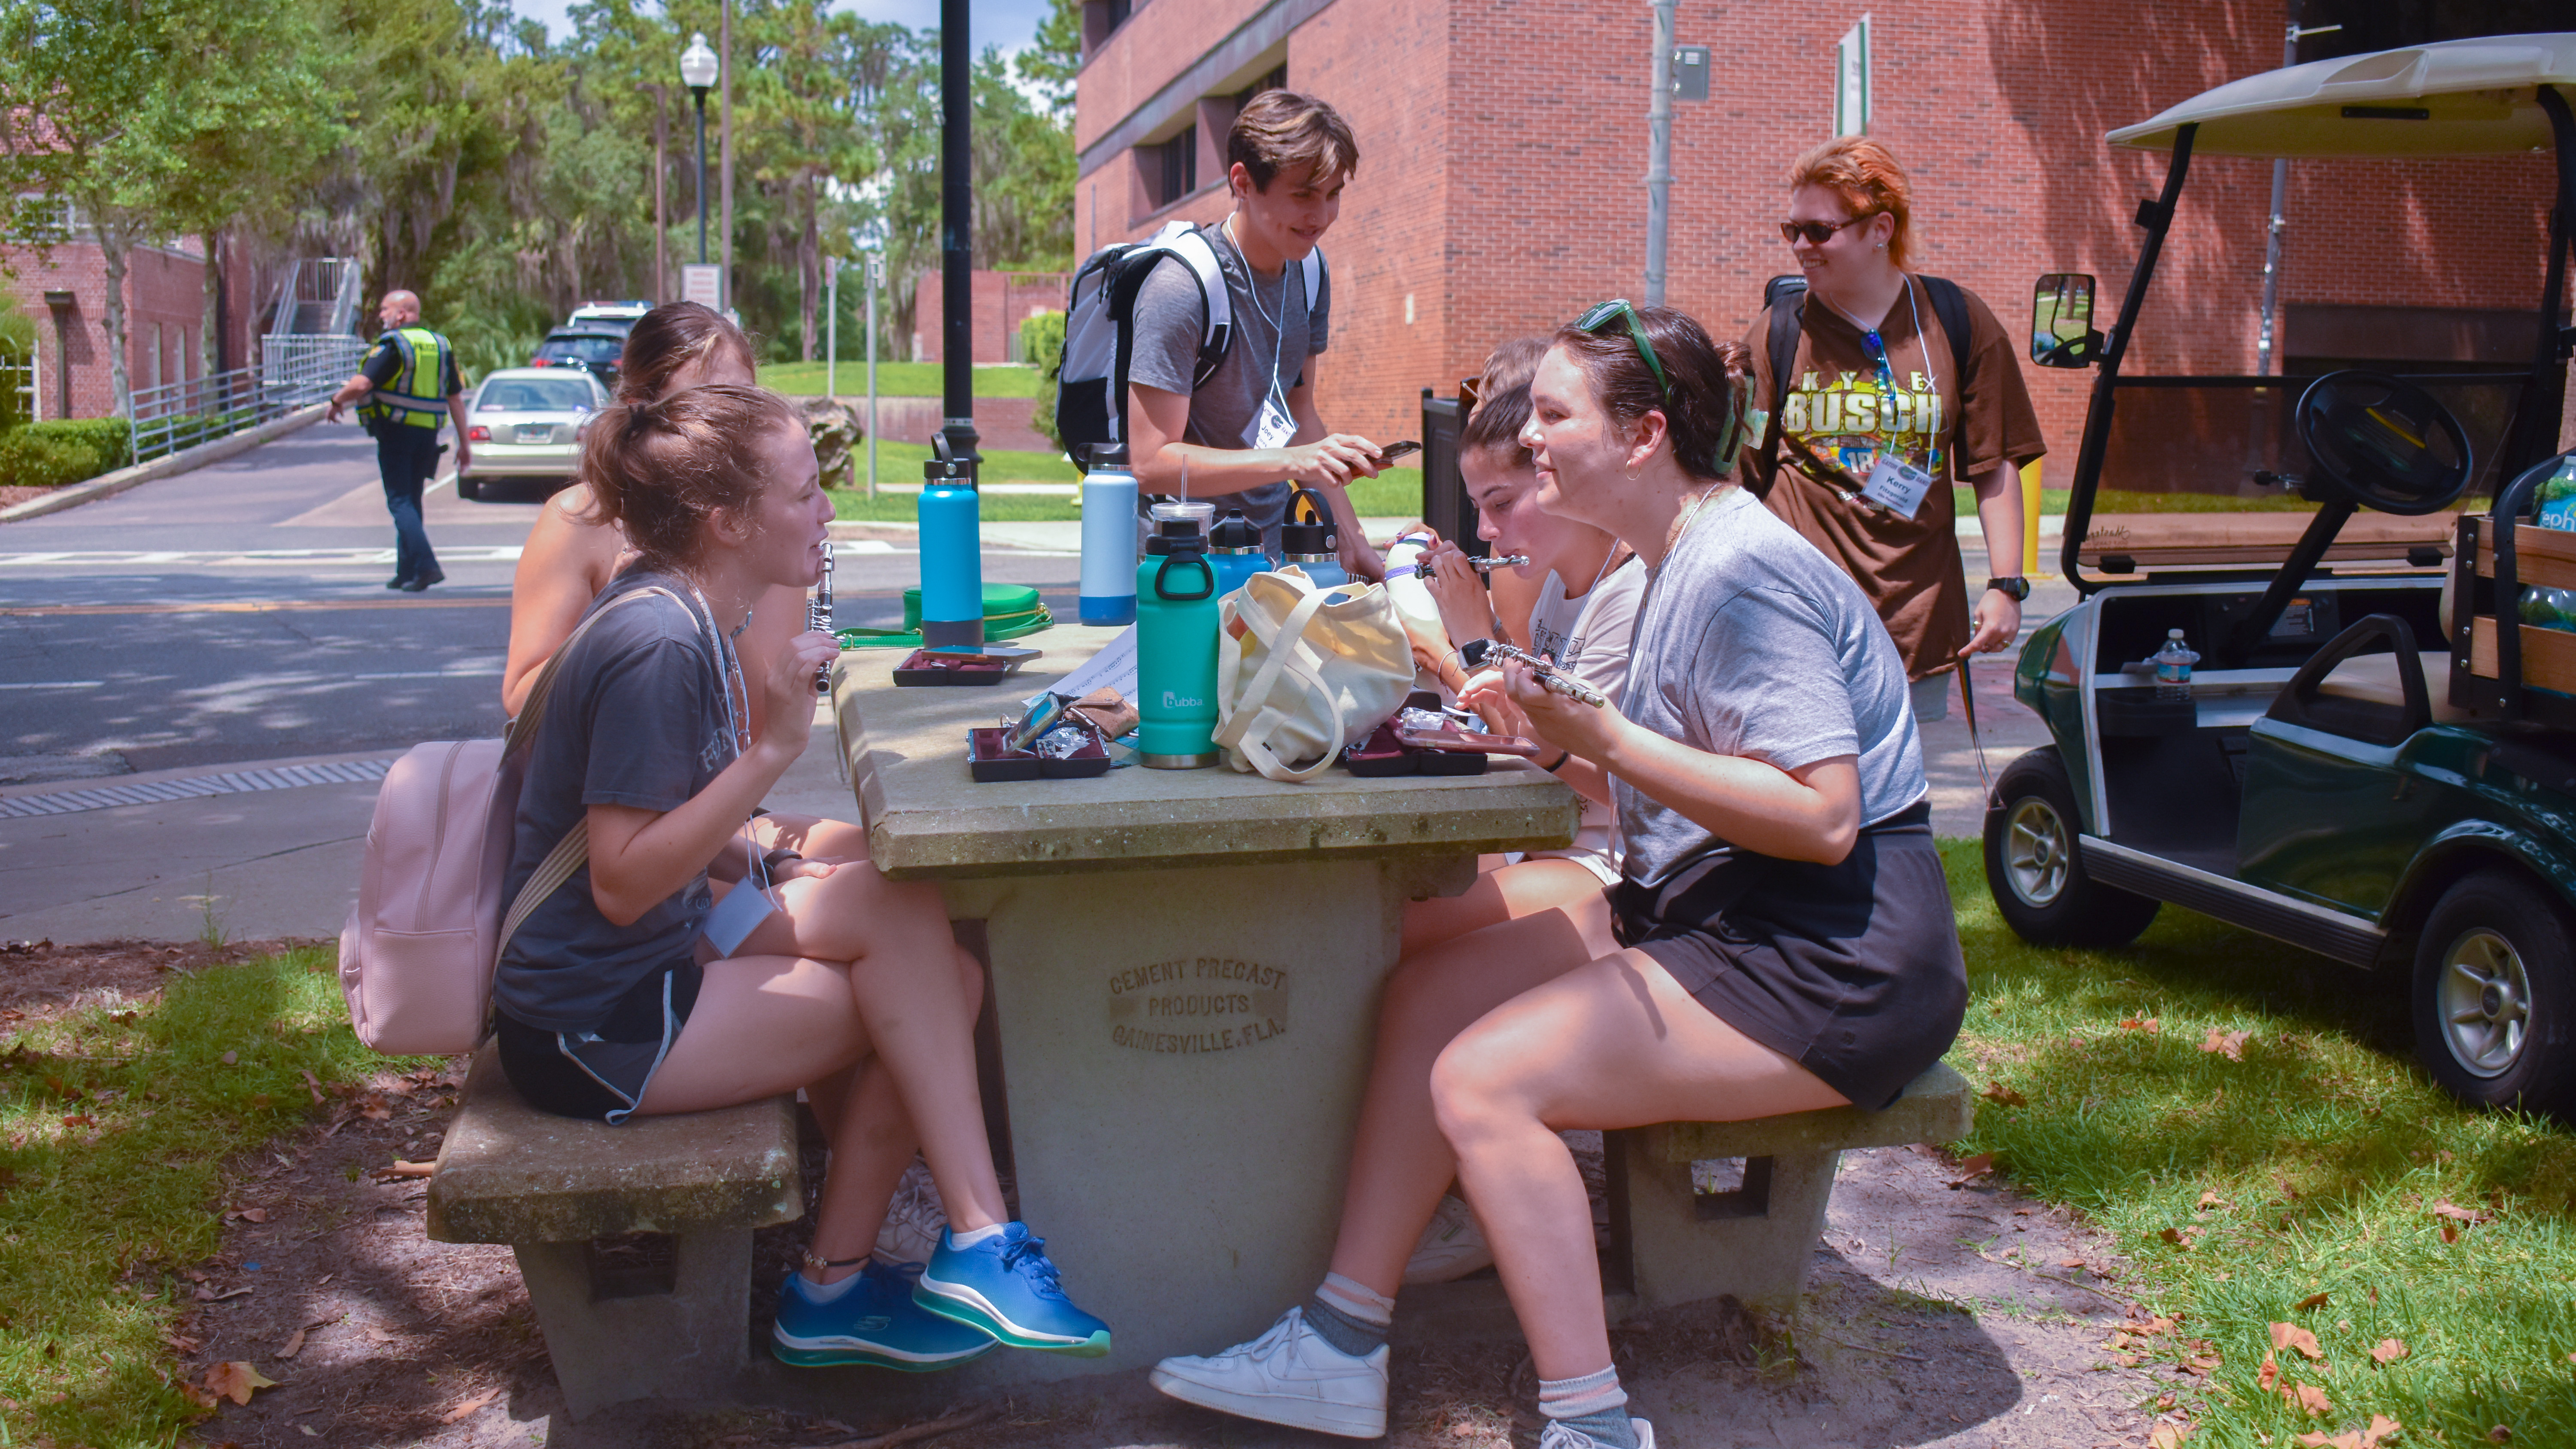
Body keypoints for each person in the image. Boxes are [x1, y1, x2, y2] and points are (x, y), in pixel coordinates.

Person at [1151, 306, 1962, 1449]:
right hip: (1722, 910)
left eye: (1553, 415)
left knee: (1487, 1079)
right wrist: (1553, 730)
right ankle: (1340, 1341)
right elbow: (1675, 774)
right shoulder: (1675, 554)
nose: (1529, 438)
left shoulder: (1739, 573)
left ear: (1642, 435)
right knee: (1426, 995)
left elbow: (1825, 817)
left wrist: (1606, 738)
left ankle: (1592, 1420)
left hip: (1836, 951)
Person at [492, 383, 1111, 1370]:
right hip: (593, 1024)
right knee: (921, 983)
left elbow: (660, 831)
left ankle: (882, 1270)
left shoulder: (684, 611)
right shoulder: (658, 641)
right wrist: (774, 751)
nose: (828, 508)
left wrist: (771, 853)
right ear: (726, 520)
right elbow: (618, 882)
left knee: (920, 937)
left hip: (652, 955)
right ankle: (952, 1245)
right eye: (804, 491)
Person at [500, 304, 864, 864]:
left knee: (888, 865)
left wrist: (718, 592)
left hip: (720, 808)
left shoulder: (762, 540)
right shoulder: (576, 522)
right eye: (706, 404)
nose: (730, 427)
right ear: (641, 411)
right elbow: (522, 694)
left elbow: (751, 726)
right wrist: (632, 628)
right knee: (869, 906)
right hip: (611, 824)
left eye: (742, 402)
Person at [1745, 136, 2045, 720]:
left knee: (1895, 802)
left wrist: (2007, 585)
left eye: (1820, 231)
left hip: (1916, 615)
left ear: (1880, 228)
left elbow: (1995, 460)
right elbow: (1737, 474)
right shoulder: (1781, 329)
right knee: (1810, 796)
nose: (1801, 247)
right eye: (1792, 230)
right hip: (1800, 613)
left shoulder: (1956, 319)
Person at [1126, 89, 1388, 580]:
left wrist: (1353, 541)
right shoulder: (1181, 288)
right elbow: (1150, 462)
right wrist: (1291, 461)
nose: (1323, 216)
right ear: (1243, 182)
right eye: (1304, 194)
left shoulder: (1310, 272)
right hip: (1181, 567)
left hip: (1268, 555)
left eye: (1334, 194)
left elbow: (1299, 412)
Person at [327, 290, 468, 592]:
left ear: (401, 314)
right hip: (428, 434)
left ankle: (427, 566)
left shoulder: (394, 345)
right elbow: (455, 398)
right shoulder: (440, 344)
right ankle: (407, 572)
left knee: (400, 501)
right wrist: (465, 444)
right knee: (412, 500)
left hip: (396, 431)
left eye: (385, 309)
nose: (381, 315)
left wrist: (336, 400)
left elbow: (363, 383)